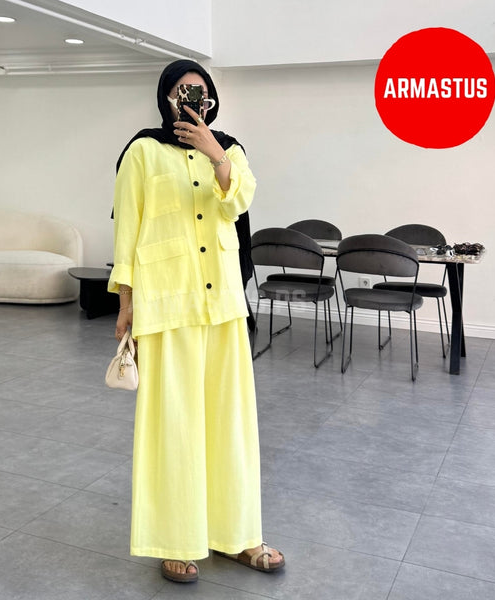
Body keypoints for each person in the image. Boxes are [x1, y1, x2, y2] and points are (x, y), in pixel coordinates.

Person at [108, 59, 284, 584]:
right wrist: (125, 302)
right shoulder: (142, 151)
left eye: (201, 93)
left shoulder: (229, 150)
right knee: (174, 426)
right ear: (166, 98)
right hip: (167, 301)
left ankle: (238, 535)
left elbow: (239, 201)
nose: (192, 100)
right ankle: (176, 538)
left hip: (223, 302)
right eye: (183, 91)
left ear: (212, 102)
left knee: (232, 424)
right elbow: (127, 230)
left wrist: (215, 153)